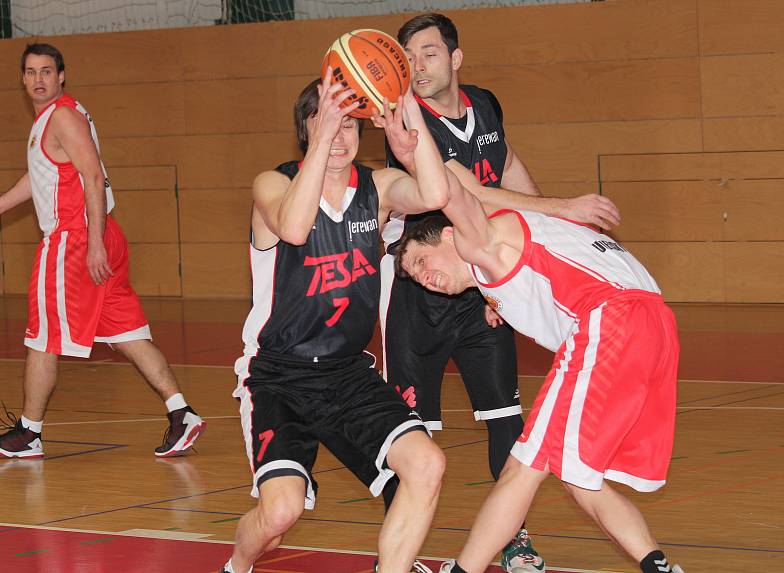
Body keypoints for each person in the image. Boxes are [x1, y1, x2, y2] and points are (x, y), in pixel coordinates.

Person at [374, 13, 620, 573]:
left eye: (429, 53)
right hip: (422, 291)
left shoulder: (484, 102)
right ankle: (402, 552)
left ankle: (515, 541)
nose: (417, 66)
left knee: (507, 420)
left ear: (456, 59)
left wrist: (554, 235)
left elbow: (505, 162)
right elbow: (474, 194)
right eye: (408, 57)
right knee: (411, 435)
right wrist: (565, 209)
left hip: (483, 283)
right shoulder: (412, 127)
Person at [393, 164, 684, 573]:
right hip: (656, 324)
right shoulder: (514, 251)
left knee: (521, 469)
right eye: (416, 279)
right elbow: (547, 271)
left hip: (610, 321)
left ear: (448, 235)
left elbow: (455, 194)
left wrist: (411, 137)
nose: (425, 279)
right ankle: (659, 566)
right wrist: (497, 302)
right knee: (578, 477)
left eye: (421, 262)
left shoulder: (481, 237)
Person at [221, 71, 451, 573]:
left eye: (351, 124)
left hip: (348, 372)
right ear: (307, 128)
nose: (342, 135)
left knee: (427, 464)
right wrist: (321, 142)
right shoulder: (272, 183)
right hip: (279, 374)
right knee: (279, 512)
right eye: (329, 122)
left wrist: (410, 120)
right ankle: (237, 565)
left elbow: (436, 195)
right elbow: (297, 229)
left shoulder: (378, 187)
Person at [0, 43, 205, 459]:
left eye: (46, 71)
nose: (37, 80)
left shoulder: (62, 116)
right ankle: (182, 413)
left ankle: (28, 433)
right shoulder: (59, 117)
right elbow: (42, 176)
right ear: (22, 78)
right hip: (97, 236)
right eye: (30, 72)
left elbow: (92, 175)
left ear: (61, 75)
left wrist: (94, 240)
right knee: (127, 336)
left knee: (42, 339)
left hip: (75, 239)